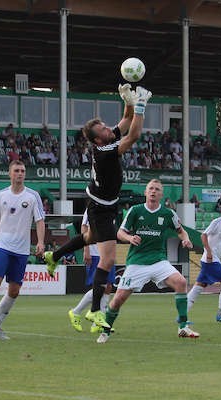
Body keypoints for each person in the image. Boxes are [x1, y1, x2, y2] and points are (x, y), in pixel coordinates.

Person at [44, 83, 152, 329]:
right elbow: (133, 135)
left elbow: (126, 119)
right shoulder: (105, 151)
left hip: (103, 204)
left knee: (89, 237)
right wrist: (142, 107)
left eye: (105, 125)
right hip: (101, 208)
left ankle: (55, 256)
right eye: (103, 128)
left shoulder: (107, 140)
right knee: (107, 260)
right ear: (97, 139)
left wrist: (127, 100)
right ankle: (94, 311)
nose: (108, 128)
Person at [96, 179, 199, 343]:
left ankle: (183, 327)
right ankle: (106, 330)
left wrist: (185, 239)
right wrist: (129, 238)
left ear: (161, 194)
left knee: (180, 282)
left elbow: (181, 231)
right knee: (118, 299)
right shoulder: (135, 211)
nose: (153, 191)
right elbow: (120, 233)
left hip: (159, 261)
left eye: (157, 189)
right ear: (145, 192)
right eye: (150, 188)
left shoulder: (168, 214)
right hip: (137, 262)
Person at [0, 160, 46, 341]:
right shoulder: (0, 196)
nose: (20, 173)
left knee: (14, 291)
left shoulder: (32, 196)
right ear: (10, 173)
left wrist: (40, 242)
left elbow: (39, 220)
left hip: (22, 250)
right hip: (2, 246)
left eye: (22, 170)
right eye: (16, 170)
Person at [67, 209, 116, 333]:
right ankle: (76, 312)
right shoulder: (92, 208)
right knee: (99, 286)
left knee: (108, 286)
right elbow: (84, 227)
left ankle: (98, 322)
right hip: (95, 252)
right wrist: (86, 250)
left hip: (108, 252)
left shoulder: (112, 207)